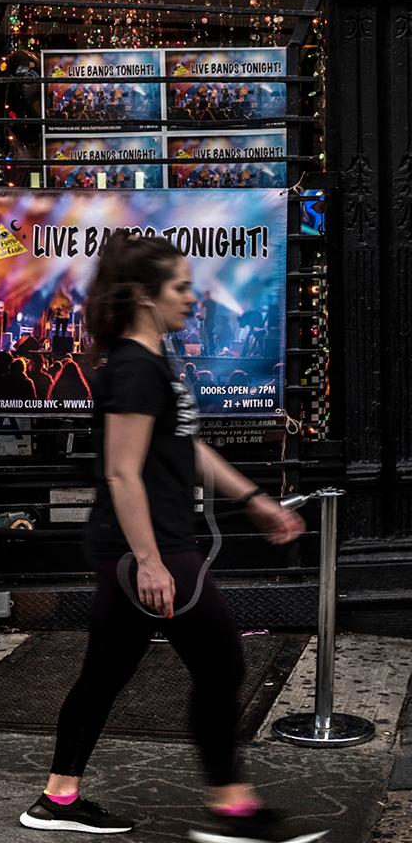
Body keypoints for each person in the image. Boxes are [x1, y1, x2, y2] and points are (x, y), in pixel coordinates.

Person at [19, 233, 318, 843]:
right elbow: (121, 471)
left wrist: (255, 501)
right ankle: (232, 809)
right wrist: (150, 561)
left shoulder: (154, 363)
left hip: (139, 546)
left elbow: (189, 447)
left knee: (104, 674)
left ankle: (57, 797)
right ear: (144, 295)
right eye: (180, 287)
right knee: (222, 664)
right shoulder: (134, 368)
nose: (191, 297)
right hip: (149, 547)